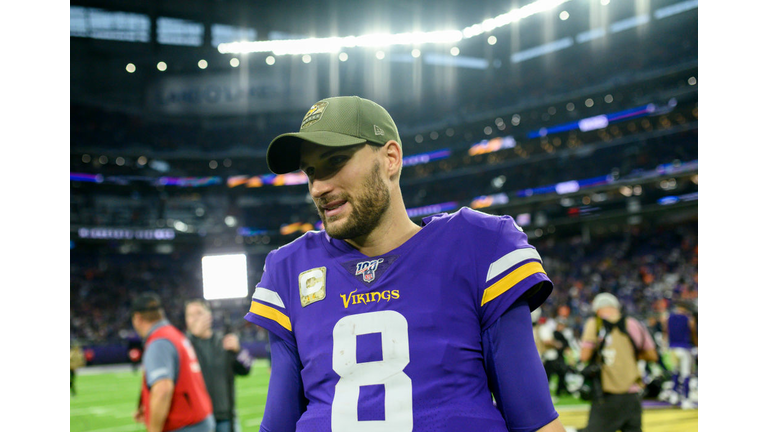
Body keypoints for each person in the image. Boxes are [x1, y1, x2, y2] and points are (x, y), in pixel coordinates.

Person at [244, 95, 566, 432]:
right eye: (310, 171)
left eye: (335, 161)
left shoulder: (478, 245)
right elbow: (277, 425)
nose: (319, 187)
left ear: (391, 158)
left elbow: (536, 421)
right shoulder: (288, 269)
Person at [131, 292, 215, 432]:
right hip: (199, 418)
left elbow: (162, 389)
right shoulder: (174, 334)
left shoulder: (159, 341)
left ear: (138, 318)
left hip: (185, 424)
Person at [578, 293, 658, 432]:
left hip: (607, 394)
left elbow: (584, 356)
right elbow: (652, 355)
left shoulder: (595, 323)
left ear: (597, 309)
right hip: (633, 393)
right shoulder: (634, 323)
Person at [185, 299, 253, 432]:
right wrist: (193, 338)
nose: (194, 319)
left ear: (209, 316)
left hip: (225, 417)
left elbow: (247, 368)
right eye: (190, 315)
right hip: (196, 420)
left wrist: (238, 351)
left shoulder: (224, 341)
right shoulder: (184, 345)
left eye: (198, 313)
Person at [661, 301, 697, 409]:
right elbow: (693, 332)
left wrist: (665, 346)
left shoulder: (668, 317)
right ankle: (686, 399)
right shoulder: (688, 318)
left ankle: (674, 396)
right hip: (684, 348)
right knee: (686, 374)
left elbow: (665, 332)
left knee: (675, 373)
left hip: (672, 348)